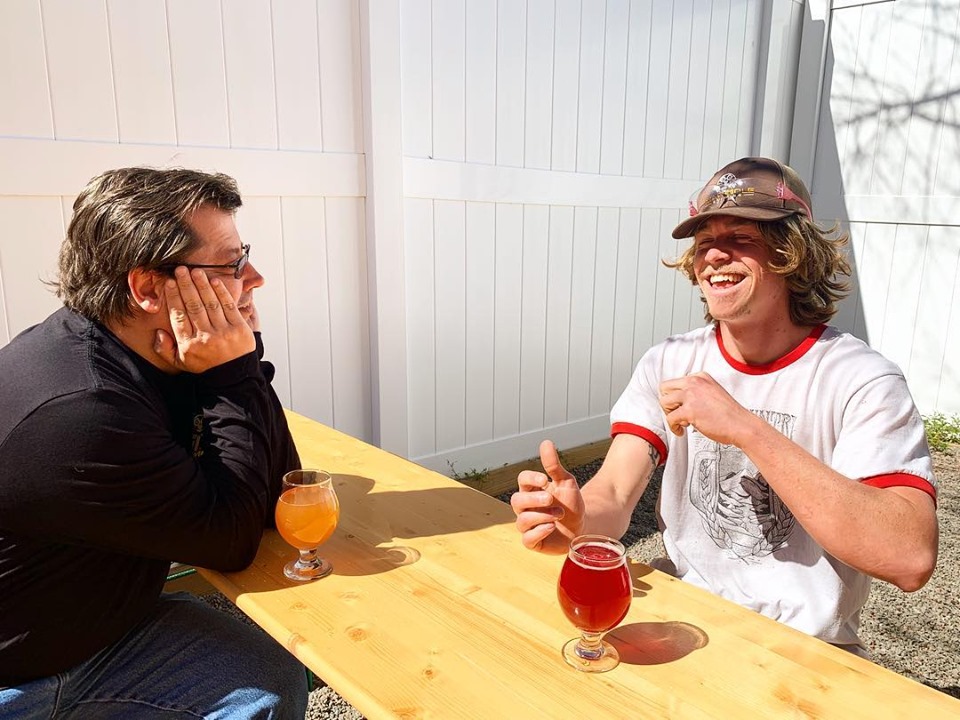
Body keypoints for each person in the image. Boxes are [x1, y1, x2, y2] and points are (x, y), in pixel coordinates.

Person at [511, 156, 939, 656]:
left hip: (803, 650)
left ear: (793, 254)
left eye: (741, 238)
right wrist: (578, 516)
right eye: (705, 241)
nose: (714, 255)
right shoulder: (669, 361)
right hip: (683, 618)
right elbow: (615, 491)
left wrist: (744, 427)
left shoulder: (861, 379)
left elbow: (909, 557)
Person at [0, 167, 308, 717]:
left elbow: (277, 493)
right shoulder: (82, 411)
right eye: (231, 263)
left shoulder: (141, 352)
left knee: (271, 676)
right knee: (256, 699)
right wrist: (234, 372)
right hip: (25, 677)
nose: (254, 277)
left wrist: (243, 362)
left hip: (97, 626)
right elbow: (231, 542)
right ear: (146, 288)